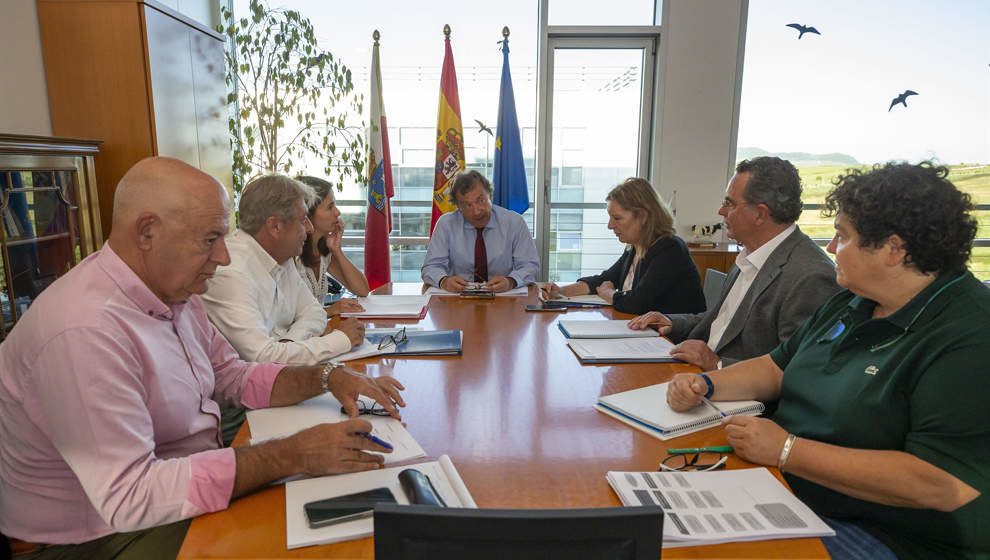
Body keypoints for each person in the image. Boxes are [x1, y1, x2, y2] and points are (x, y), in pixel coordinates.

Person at [0, 157, 406, 558]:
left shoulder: (173, 290)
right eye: (210, 239)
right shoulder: (83, 330)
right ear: (147, 233)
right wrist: (293, 453)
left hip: (173, 488)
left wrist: (326, 377)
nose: (224, 257)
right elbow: (131, 496)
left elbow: (232, 376)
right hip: (92, 537)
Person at [666, 162, 988, 560]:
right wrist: (708, 386)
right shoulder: (852, 301)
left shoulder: (969, 335)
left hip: (892, 535)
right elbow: (775, 367)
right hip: (788, 488)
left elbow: (940, 483)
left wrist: (786, 450)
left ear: (894, 248)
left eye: (843, 236)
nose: (832, 248)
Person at [629, 157, 839, 370]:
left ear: (759, 213)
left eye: (729, 203)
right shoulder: (750, 254)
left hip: (736, 394)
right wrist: (671, 321)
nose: (721, 211)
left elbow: (798, 371)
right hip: (697, 376)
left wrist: (717, 364)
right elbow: (721, 321)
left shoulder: (810, 275)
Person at [541, 177, 705, 315]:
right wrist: (561, 292)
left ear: (642, 216)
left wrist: (609, 293)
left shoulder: (670, 249)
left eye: (617, 218)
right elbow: (603, 280)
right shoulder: (635, 247)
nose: (610, 225)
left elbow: (637, 303)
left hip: (673, 342)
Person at [421, 170, 539, 293]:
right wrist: (444, 281)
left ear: (491, 196)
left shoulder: (514, 222)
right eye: (467, 205)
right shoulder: (446, 224)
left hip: (503, 297)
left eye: (480, 200)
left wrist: (511, 281)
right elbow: (430, 267)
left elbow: (530, 266)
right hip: (458, 299)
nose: (476, 211)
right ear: (458, 207)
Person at [294, 175, 368, 315]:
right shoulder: (291, 256)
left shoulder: (322, 252)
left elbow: (362, 290)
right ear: (308, 214)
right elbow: (289, 317)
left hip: (318, 332)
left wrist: (337, 251)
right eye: (330, 207)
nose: (337, 212)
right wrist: (331, 310)